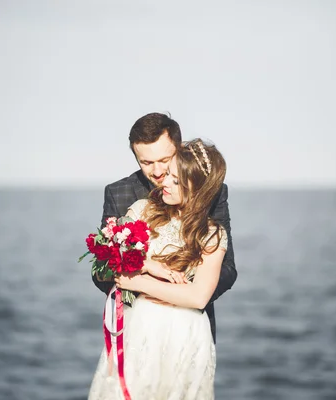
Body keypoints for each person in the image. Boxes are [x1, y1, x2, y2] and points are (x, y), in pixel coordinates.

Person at [88, 138, 228, 399]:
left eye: (176, 181)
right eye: (169, 175)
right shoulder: (143, 210)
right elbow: (108, 258)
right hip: (140, 324)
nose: (164, 182)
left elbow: (198, 297)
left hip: (185, 332)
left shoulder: (211, 234)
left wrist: (140, 283)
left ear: (198, 191)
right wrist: (149, 265)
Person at [91, 112, 237, 343]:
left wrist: (182, 296)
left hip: (191, 325)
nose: (158, 172)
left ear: (179, 149)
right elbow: (101, 271)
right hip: (136, 325)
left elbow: (228, 268)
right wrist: (143, 282)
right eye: (146, 162)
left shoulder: (213, 191)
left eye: (165, 160)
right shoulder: (120, 194)